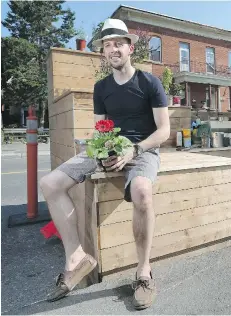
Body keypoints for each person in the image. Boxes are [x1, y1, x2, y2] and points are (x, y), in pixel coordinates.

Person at [39, 18, 170, 309]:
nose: (113, 49)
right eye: (107, 45)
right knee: (49, 183)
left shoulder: (150, 82)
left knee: (142, 194)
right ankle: (76, 258)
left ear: (130, 47)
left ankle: (144, 271)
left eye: (118, 44)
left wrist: (134, 150)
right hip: (108, 148)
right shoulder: (101, 88)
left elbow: (163, 131)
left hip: (142, 149)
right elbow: (102, 129)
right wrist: (104, 151)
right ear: (104, 52)